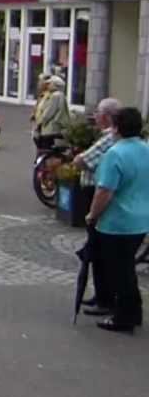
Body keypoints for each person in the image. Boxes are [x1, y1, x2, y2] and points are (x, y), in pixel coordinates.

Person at [85, 106, 149, 333]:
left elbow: (105, 191)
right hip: (141, 219)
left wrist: (92, 214)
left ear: (116, 127)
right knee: (126, 268)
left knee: (119, 272)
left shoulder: (115, 153)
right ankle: (129, 310)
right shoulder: (145, 149)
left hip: (117, 221)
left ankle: (125, 316)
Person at [73, 98, 122, 316]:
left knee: (98, 249)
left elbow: (82, 161)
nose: (95, 116)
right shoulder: (111, 138)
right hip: (97, 193)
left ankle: (105, 299)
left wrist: (92, 213)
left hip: (97, 194)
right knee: (97, 249)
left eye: (99, 112)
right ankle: (102, 294)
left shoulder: (109, 139)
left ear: (107, 116)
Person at [32, 76, 70, 150]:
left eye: (50, 84)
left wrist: (39, 123)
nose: (48, 86)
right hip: (57, 127)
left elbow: (49, 112)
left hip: (50, 128)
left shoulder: (55, 96)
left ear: (55, 85)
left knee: (46, 148)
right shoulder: (61, 95)